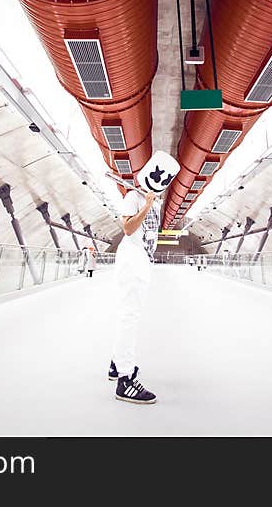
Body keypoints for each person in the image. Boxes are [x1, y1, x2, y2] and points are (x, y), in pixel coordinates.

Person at [108, 150, 178, 405]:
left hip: (142, 261)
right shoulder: (132, 197)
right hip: (131, 260)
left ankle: (117, 364)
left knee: (130, 314)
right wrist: (145, 205)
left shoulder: (153, 201)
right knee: (130, 316)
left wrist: (151, 203)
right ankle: (125, 380)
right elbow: (127, 229)